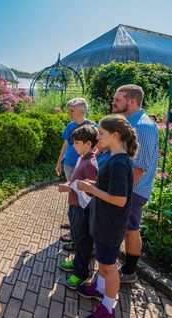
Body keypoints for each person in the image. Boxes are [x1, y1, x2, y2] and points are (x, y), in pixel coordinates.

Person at [76, 115, 138, 318]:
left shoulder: (119, 163)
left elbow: (119, 199)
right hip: (104, 221)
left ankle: (108, 307)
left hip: (110, 224)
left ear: (115, 135)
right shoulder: (116, 158)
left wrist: (92, 190)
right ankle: (101, 289)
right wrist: (93, 185)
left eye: (101, 134)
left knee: (109, 267)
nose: (98, 137)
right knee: (103, 261)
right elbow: (109, 189)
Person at [111, 85, 159, 283]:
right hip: (124, 190)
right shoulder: (129, 122)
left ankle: (129, 272)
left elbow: (138, 168)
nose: (113, 103)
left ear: (132, 101)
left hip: (132, 191)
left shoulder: (143, 127)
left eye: (117, 99)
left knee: (131, 229)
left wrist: (118, 193)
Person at [57, 125, 98, 290]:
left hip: (82, 208)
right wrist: (69, 184)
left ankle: (81, 272)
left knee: (83, 241)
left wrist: (70, 187)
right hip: (74, 205)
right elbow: (76, 179)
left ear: (88, 143)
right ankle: (76, 262)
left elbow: (91, 189)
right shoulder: (82, 157)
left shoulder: (91, 163)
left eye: (77, 143)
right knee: (76, 236)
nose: (74, 146)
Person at [56, 98, 97, 242]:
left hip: (83, 167)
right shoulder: (70, 126)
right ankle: (73, 222)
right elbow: (65, 145)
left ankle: (77, 230)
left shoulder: (92, 127)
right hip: (70, 164)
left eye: (72, 111)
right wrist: (59, 162)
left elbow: (97, 148)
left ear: (82, 111)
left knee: (82, 198)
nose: (69, 113)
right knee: (72, 194)